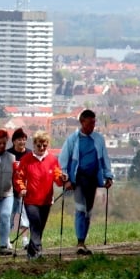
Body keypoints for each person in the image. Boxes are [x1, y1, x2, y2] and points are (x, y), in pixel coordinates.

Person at [59, 109, 114, 256]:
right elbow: (63, 160)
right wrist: (67, 180)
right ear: (82, 122)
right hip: (78, 179)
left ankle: (83, 240)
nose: (92, 126)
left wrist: (108, 176)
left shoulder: (99, 139)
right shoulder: (73, 140)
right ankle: (80, 242)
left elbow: (104, 159)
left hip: (93, 179)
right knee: (80, 208)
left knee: (88, 211)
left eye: (94, 123)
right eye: (90, 123)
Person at [13, 130, 66, 260]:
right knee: (35, 224)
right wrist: (22, 188)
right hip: (30, 199)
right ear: (34, 144)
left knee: (40, 227)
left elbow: (58, 179)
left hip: (47, 200)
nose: (42, 148)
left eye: (44, 145)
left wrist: (63, 179)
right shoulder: (26, 160)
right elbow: (18, 177)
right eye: (39, 146)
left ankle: (31, 252)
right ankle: (38, 251)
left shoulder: (52, 160)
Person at [8, 127, 32, 248]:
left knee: (25, 216)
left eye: (24, 139)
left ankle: (25, 240)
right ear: (14, 141)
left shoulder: (29, 154)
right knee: (9, 215)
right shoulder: (8, 154)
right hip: (10, 191)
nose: (22, 142)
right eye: (19, 140)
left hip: (25, 191)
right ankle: (6, 240)